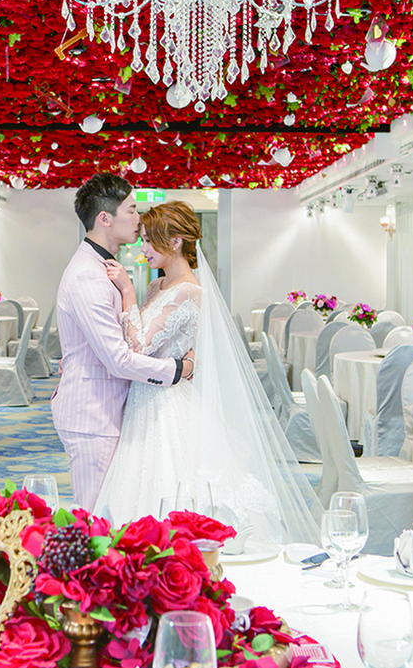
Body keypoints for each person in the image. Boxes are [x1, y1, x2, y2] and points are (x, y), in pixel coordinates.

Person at [93, 201, 321, 545]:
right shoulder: (158, 287)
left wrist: (127, 292)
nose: (143, 248)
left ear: (174, 242)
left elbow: (137, 346)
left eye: (150, 241)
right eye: (143, 240)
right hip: (147, 396)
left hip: (165, 401)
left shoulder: (189, 290)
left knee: (171, 487)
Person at [51, 174, 194, 511]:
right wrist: (177, 370)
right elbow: (117, 359)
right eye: (131, 210)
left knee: (114, 514)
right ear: (105, 218)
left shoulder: (103, 267)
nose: (138, 218)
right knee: (95, 519)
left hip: (110, 408)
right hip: (92, 414)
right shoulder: (87, 274)